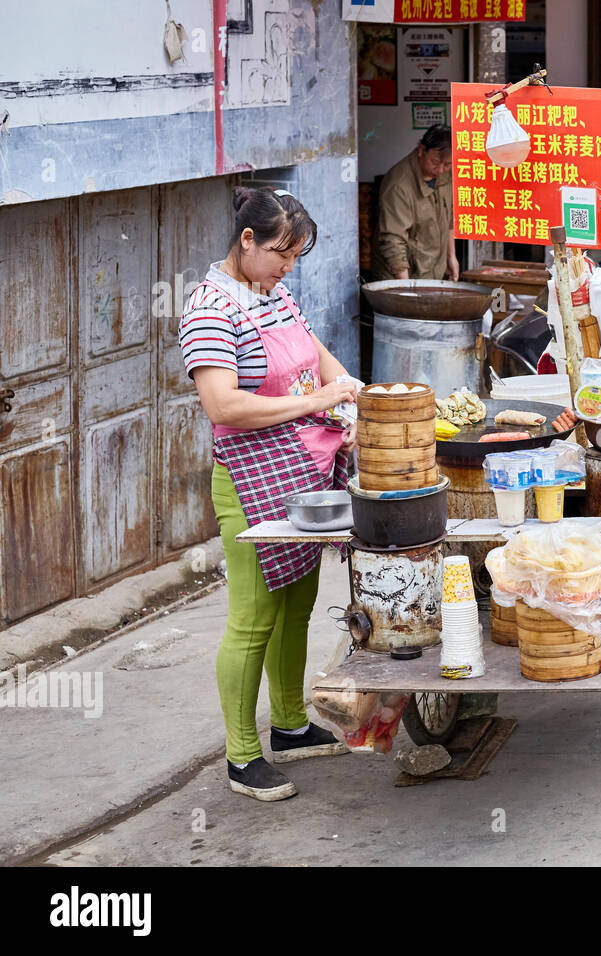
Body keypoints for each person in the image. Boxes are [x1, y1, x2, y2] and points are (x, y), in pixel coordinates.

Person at [179, 186, 359, 801]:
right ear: (246, 240)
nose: (288, 267)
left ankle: (289, 725)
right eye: (281, 253)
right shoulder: (210, 307)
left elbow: (313, 351)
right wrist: (316, 401)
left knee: (296, 606)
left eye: (297, 257)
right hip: (250, 484)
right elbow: (223, 403)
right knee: (252, 619)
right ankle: (241, 756)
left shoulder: (271, 293)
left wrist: (346, 384)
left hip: (304, 480)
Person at [372, 125, 459, 282]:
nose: (440, 170)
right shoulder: (398, 185)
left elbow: (448, 218)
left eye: (447, 164)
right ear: (421, 150)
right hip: (402, 275)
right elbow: (393, 240)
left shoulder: (445, 175)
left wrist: (451, 256)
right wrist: (405, 289)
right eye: (435, 161)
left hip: (431, 271)